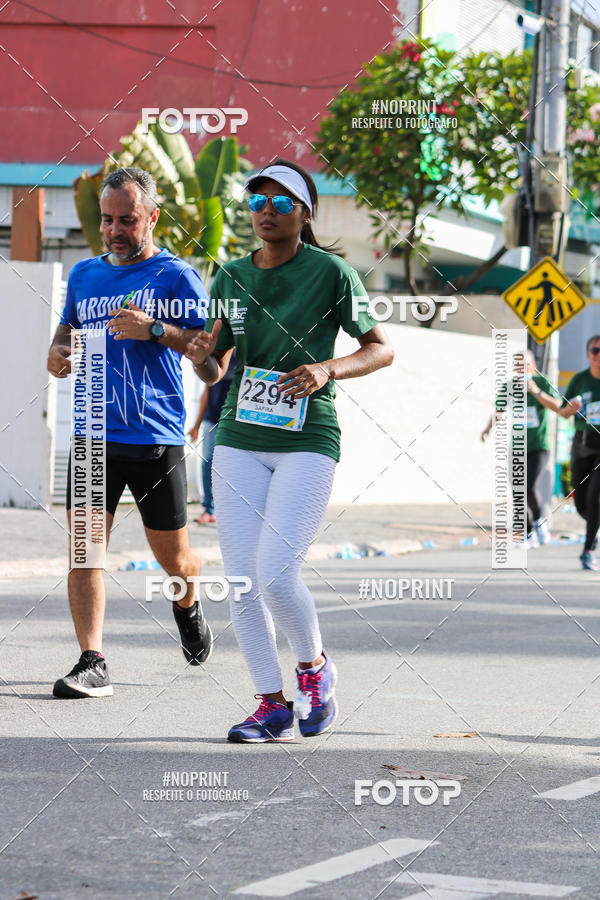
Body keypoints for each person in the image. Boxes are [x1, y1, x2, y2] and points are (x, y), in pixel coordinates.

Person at [186, 159, 394, 743]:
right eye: (258, 202)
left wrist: (327, 369)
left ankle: (314, 668)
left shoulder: (331, 274)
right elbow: (214, 369)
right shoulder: (228, 277)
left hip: (307, 439)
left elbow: (380, 348)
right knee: (243, 580)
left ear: (305, 212)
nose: (268, 211)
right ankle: (270, 704)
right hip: (239, 439)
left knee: (276, 574)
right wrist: (201, 353)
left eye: (281, 201)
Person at [46, 167, 213, 698]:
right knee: (84, 550)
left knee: (175, 560)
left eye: (127, 220)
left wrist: (155, 329)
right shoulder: (84, 275)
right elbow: (66, 327)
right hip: (95, 432)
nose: (115, 230)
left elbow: (207, 356)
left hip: (154, 436)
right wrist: (56, 351)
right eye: (107, 219)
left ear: (152, 218)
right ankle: (92, 660)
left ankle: (186, 602)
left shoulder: (177, 276)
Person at [481, 351, 579, 547]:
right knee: (518, 490)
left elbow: (557, 406)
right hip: (517, 445)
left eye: (524, 365)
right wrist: (488, 428)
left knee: (528, 486)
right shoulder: (509, 386)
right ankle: (529, 532)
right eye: (517, 366)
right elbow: (499, 410)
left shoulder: (542, 384)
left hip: (539, 446)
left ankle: (538, 521)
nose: (520, 370)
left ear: (532, 366)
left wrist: (535, 391)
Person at [561, 334, 600, 570]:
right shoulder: (580, 380)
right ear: (588, 354)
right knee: (582, 503)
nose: (599, 355)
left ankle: (587, 549)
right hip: (582, 445)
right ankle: (593, 527)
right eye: (595, 350)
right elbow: (562, 412)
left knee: (596, 496)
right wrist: (570, 408)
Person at [188, 352, 237, 525]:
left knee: (232, 467)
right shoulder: (218, 353)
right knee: (207, 463)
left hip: (235, 421)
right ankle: (209, 509)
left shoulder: (246, 354)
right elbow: (205, 394)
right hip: (212, 419)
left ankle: (228, 510)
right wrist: (196, 425)